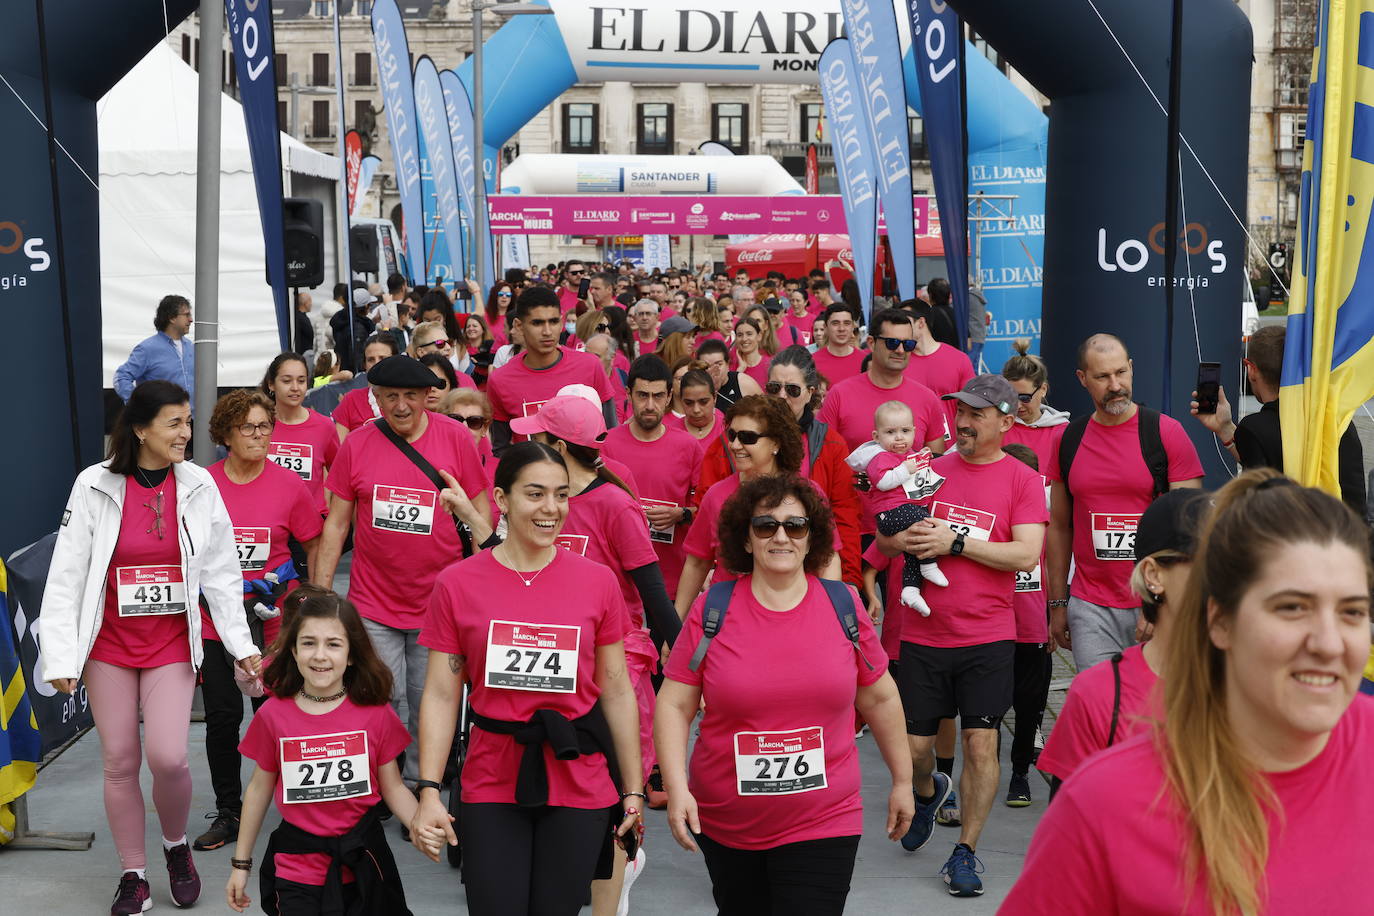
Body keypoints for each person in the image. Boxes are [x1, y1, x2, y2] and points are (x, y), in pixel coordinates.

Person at [1002, 470, 1374, 915]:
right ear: (1219, 622)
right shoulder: (1106, 803)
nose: (1329, 643)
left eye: (1353, 611)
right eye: (1292, 608)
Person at [40, 380, 261, 914]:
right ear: (140, 429)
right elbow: (66, 575)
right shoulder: (93, 485)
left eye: (188, 422)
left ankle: (175, 846)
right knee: (118, 760)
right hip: (108, 649)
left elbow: (222, 574)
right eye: (175, 423)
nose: (186, 433)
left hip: (169, 646)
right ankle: (133, 874)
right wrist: (62, 655)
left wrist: (241, 645)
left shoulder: (199, 486)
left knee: (167, 759)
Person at [656, 475, 915, 915]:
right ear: (746, 537)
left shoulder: (843, 605)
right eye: (765, 526)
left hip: (825, 816)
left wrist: (904, 781)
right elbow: (675, 702)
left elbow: (880, 699)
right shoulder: (713, 608)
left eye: (795, 526)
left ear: (811, 536)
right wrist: (676, 788)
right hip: (727, 819)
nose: (781, 536)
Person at [413, 442, 645, 916]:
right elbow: (440, 694)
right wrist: (430, 791)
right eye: (535, 494)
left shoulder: (597, 581)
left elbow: (618, 691)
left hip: (578, 774)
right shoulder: (457, 583)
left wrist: (634, 792)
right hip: (490, 774)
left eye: (561, 495)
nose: (551, 509)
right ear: (501, 499)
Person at [878, 374, 1047, 898]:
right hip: (925, 634)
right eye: (960, 412)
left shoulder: (1020, 479)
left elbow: (1025, 555)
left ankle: (965, 851)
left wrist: (956, 543)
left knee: (980, 744)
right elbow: (886, 536)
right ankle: (928, 792)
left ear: (1004, 420)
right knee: (917, 749)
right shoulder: (929, 468)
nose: (963, 422)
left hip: (989, 636)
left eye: (976, 414)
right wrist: (898, 537)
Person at [311, 356, 490, 787]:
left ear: (429, 397)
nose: (402, 406)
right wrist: (318, 597)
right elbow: (336, 524)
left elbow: (481, 510)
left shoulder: (455, 439)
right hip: (373, 601)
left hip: (439, 602)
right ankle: (381, 784)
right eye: (391, 396)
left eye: (411, 396)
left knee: (428, 698)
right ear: (375, 398)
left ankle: (418, 786)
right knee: (378, 696)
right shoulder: (357, 443)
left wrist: (486, 584)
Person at [226, 591, 440, 915]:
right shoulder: (273, 716)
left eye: (334, 644)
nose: (320, 655)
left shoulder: (376, 714)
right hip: (298, 866)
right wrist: (241, 863)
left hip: (364, 861)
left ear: (352, 654)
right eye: (309, 643)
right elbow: (259, 788)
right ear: (294, 650)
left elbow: (393, 787)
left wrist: (419, 826)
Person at [1037, 487, 1207, 798]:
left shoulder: (1250, 689)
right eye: (1204, 562)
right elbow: (1068, 830)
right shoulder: (1096, 695)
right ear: (1153, 576)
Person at [1046, 334, 1204, 670]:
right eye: (1102, 377)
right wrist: (1058, 603)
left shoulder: (1166, 433)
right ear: (1082, 379)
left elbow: (1189, 532)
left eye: (1121, 372)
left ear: (1132, 369)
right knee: (1103, 712)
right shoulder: (1067, 439)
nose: (1115, 385)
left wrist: (1161, 603)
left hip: (1155, 600)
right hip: (1091, 606)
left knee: (1158, 712)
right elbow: (1059, 527)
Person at [698, 345, 862, 585]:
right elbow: (708, 506)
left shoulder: (830, 444)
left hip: (808, 577)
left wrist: (848, 584)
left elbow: (845, 517)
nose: (782, 396)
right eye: (774, 388)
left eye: (793, 389)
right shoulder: (735, 438)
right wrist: (713, 564)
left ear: (810, 392)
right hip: (737, 577)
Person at [675, 396, 843, 618]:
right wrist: (675, 626)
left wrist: (828, 615)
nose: (735, 445)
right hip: (730, 621)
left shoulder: (807, 494)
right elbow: (697, 562)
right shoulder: (716, 496)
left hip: (796, 616)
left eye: (747, 438)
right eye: (732, 435)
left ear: (776, 443)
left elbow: (827, 559)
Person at [1189, 324, 1366, 517]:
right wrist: (1225, 429)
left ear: (1251, 369)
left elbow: (1262, 497)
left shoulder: (1254, 428)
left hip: (1297, 538)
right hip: (1352, 536)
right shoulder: (1336, 421)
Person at [818, 307, 948, 546]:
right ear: (870, 343)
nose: (900, 350)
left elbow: (934, 463)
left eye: (907, 344)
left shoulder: (927, 398)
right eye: (891, 343)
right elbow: (823, 462)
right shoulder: (840, 394)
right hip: (852, 527)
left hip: (909, 529)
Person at [602, 356, 706, 600]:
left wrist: (682, 514)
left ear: (670, 396)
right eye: (642, 395)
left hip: (670, 582)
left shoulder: (689, 446)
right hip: (618, 584)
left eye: (658, 396)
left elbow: (707, 508)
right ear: (628, 394)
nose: (650, 405)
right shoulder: (606, 444)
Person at [486, 286, 617, 457]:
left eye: (553, 321)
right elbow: (500, 449)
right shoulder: (500, 379)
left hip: (589, 478)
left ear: (562, 322)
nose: (547, 331)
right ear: (519, 325)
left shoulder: (590, 365)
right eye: (537, 323)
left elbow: (611, 433)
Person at [847, 401, 950, 616]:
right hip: (889, 514)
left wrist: (921, 462)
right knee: (926, 522)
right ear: (877, 437)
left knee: (913, 550)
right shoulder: (879, 457)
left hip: (904, 512)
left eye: (905, 431)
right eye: (890, 432)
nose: (899, 437)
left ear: (914, 432)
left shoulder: (910, 456)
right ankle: (929, 567)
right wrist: (905, 469)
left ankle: (911, 589)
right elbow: (883, 481)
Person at [262, 353, 340, 515]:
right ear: (271, 384)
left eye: (301, 381)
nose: (295, 388)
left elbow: (340, 477)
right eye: (287, 381)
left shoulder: (324, 426)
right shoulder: (257, 425)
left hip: (312, 524)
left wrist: (332, 514)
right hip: (269, 520)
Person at [903, 299, 976, 434]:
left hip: (952, 447)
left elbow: (971, 407)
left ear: (921, 323)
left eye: (904, 322)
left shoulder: (958, 359)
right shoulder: (899, 361)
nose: (899, 327)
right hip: (909, 448)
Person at [113, 295, 195, 402]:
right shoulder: (147, 349)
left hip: (191, 416)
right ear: (172, 318)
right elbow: (121, 377)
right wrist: (139, 405)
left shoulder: (190, 346)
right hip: (161, 417)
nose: (191, 320)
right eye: (186, 315)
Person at [330, 333, 401, 439]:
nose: (377, 364)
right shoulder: (352, 400)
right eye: (371, 360)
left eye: (383, 358)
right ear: (364, 365)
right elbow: (339, 449)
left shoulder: (408, 398)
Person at [666, 367, 725, 454]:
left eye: (703, 402)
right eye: (689, 403)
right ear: (681, 400)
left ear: (715, 397)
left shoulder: (727, 429)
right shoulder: (670, 433)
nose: (696, 410)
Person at [697, 337, 762, 412]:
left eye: (718, 364)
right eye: (707, 366)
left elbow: (766, 413)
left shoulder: (744, 383)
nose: (714, 370)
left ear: (727, 364)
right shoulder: (693, 388)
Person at [811, 303, 866, 385]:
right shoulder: (812, 362)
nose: (841, 329)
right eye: (835, 323)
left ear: (852, 327)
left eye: (847, 323)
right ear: (826, 327)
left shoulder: (865, 361)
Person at [332, 288, 378, 373]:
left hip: (343, 371)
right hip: (353, 377)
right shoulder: (358, 329)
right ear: (365, 307)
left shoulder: (344, 321)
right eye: (370, 305)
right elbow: (357, 359)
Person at [729, 316, 771, 390]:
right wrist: (739, 371)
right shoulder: (730, 367)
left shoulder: (770, 365)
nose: (744, 339)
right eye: (740, 335)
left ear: (759, 336)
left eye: (749, 334)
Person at [922, 278, 960, 349]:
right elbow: (968, 343)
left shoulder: (927, 314)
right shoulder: (959, 314)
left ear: (930, 295)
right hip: (956, 356)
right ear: (949, 295)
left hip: (936, 356)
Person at [293, 292, 315, 357]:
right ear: (305, 303)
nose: (311, 304)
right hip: (303, 355)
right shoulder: (301, 319)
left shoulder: (300, 317)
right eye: (310, 301)